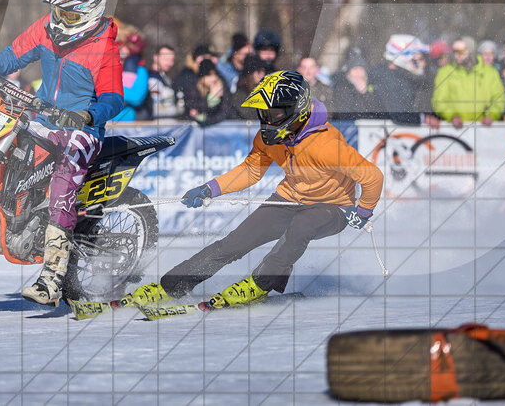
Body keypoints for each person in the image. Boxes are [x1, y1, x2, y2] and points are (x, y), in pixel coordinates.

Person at [124, 70, 383, 308]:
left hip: (332, 207)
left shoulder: (325, 145)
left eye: (274, 113)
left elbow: (372, 176)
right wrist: (210, 188)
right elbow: (251, 170)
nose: (267, 120)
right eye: (264, 113)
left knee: (300, 228)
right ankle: (170, 286)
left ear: (297, 109)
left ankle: (260, 284)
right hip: (288, 199)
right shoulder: (268, 137)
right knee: (232, 244)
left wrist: (363, 211)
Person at [0, 0, 124, 306]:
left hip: (81, 130)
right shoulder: (45, 28)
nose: (60, 19)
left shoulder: (104, 49)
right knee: (1, 147)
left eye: (68, 14)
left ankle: (52, 278)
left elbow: (113, 98)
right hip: (40, 119)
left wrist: (87, 115)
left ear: (89, 13)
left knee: (61, 187)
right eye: (58, 11)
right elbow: (14, 55)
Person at [431, 37, 505, 128]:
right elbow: (439, 100)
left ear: (471, 51)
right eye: (454, 52)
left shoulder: (491, 72)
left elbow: (499, 98)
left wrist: (491, 116)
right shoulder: (445, 72)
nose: (457, 55)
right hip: (453, 129)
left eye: (461, 52)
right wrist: (452, 116)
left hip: (483, 129)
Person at [370, 34, 432, 126]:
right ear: (405, 56)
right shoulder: (390, 79)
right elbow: (400, 116)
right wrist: (423, 119)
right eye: (416, 58)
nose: (420, 62)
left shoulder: (396, 75)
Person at [113, 27, 150, 122]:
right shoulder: (108, 69)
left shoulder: (140, 71)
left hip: (128, 124)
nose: (121, 50)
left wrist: (111, 88)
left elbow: (136, 98)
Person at [331, 48, 378, 120]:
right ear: (349, 72)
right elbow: (344, 111)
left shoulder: (373, 86)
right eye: (355, 69)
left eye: (361, 69)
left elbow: (377, 111)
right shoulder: (342, 86)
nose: (358, 72)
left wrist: (365, 92)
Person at [188, 59, 236, 125]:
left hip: (221, 126)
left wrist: (207, 120)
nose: (212, 79)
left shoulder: (221, 86)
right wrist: (210, 101)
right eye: (208, 76)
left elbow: (225, 111)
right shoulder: (195, 88)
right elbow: (193, 109)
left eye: (213, 75)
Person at [148, 44, 181, 120]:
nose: (170, 63)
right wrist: (178, 110)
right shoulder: (152, 79)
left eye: (172, 60)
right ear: (156, 57)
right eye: (166, 59)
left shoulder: (165, 78)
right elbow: (155, 108)